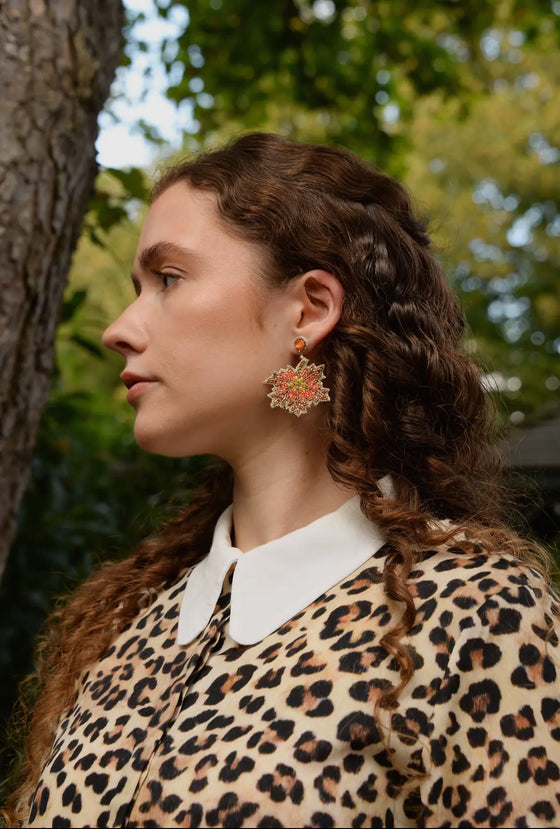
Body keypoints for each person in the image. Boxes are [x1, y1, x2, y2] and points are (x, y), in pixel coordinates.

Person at [3, 132, 560, 828]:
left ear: (308, 310)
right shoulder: (120, 626)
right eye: (137, 288)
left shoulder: (471, 613)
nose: (119, 328)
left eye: (168, 279)